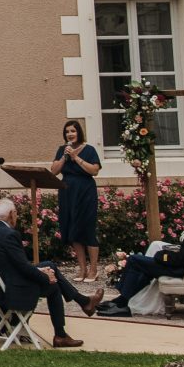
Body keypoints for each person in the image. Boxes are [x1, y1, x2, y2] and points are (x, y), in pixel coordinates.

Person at [0, 199, 96, 346]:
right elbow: (23, 268)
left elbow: (15, 264)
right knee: (54, 287)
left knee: (49, 265)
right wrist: (45, 277)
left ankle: (83, 302)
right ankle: (61, 334)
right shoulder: (8, 234)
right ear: (12, 214)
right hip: (8, 291)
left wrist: (42, 271)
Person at [104, 187, 184, 314]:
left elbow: (181, 258)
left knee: (134, 260)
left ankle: (123, 304)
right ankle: (122, 301)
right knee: (146, 267)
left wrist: (161, 256)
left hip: (183, 270)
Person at [50, 119, 104, 281]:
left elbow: (94, 171)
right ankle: (82, 269)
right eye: (67, 132)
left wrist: (76, 157)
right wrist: (65, 157)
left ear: (79, 132)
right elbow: (53, 171)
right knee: (72, 229)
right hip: (67, 192)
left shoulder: (89, 149)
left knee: (87, 228)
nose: (70, 134)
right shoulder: (62, 150)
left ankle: (93, 269)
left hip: (85, 191)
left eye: (73, 131)